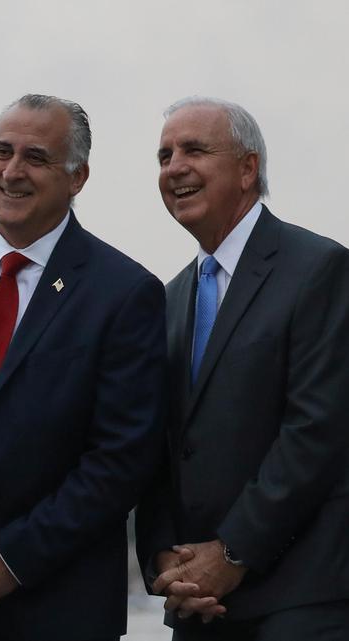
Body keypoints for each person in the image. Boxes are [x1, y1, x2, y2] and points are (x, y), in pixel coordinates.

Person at [0, 94, 166, 641]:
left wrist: (11, 560)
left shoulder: (125, 294)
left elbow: (121, 460)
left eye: (35, 158)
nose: (11, 172)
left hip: (55, 605)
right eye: (1, 152)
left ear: (77, 176)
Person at [135, 96, 349, 640]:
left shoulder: (318, 268)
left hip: (298, 597)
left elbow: (316, 431)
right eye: (164, 156)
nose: (174, 167)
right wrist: (165, 559)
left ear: (248, 168)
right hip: (197, 602)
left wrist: (232, 553)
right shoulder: (168, 298)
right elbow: (158, 444)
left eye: (194, 150)